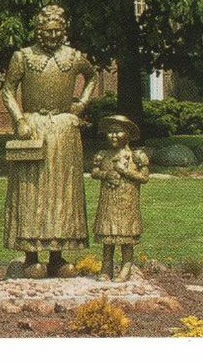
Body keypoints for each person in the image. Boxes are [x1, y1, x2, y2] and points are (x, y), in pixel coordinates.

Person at [1, 4, 97, 277]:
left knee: (63, 194)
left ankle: (57, 255)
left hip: (64, 130)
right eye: (48, 31)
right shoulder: (23, 57)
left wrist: (82, 102)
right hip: (33, 128)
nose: (53, 36)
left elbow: (92, 76)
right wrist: (19, 120)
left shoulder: (74, 57)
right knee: (32, 192)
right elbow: (8, 90)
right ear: (39, 31)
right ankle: (31, 255)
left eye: (58, 31)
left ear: (64, 31)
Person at [91, 115, 149, 281]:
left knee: (126, 235)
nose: (113, 136)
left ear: (128, 134)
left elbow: (144, 177)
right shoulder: (103, 155)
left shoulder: (136, 156)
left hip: (127, 200)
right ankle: (106, 267)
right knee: (108, 235)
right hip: (109, 199)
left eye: (118, 132)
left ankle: (126, 266)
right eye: (110, 132)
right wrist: (105, 174)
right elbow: (94, 172)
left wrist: (126, 172)